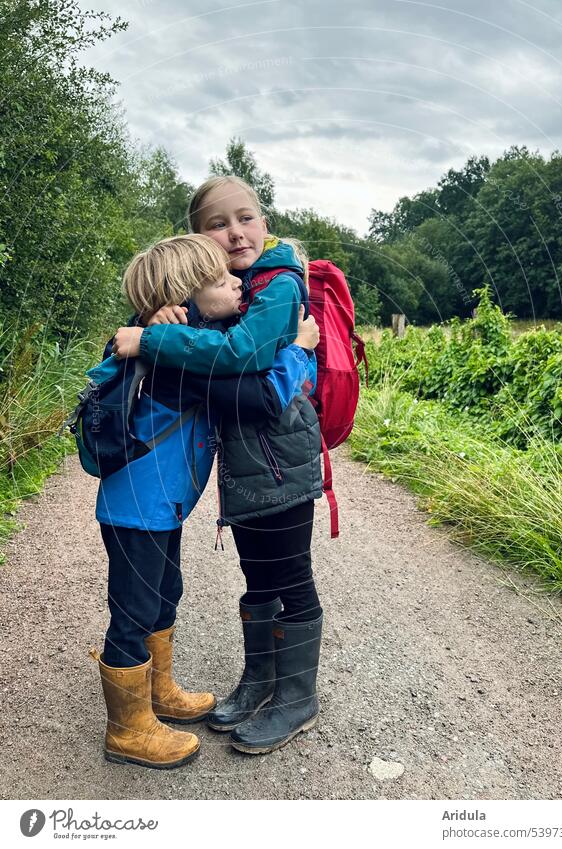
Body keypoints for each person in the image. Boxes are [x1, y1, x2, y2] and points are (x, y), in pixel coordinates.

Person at [111, 176, 325, 755]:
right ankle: (259, 682)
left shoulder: (276, 286)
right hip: (245, 471)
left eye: (247, 217)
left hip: (281, 465)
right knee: (258, 580)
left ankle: (296, 698)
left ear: (264, 220)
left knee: (291, 579)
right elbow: (214, 370)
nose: (235, 233)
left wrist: (297, 353)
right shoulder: (218, 300)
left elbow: (245, 380)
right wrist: (172, 325)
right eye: (217, 224)